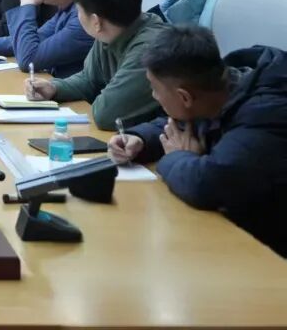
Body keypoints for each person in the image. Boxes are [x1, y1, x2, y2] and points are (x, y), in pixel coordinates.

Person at [109, 25, 287, 258]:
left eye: (154, 88)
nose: (154, 96)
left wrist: (177, 157)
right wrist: (139, 138)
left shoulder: (264, 115)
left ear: (184, 96)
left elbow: (206, 183)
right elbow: (181, 122)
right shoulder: (218, 87)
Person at [25, 0, 164, 130]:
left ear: (96, 21)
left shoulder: (149, 49)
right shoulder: (111, 29)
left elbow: (106, 114)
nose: (78, 16)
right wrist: (55, 88)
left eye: (79, 10)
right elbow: (89, 79)